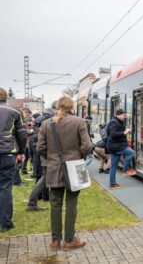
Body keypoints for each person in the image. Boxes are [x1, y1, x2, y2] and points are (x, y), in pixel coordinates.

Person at [37, 96, 92, 250]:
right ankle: (69, 240)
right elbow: (87, 146)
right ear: (71, 107)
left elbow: (40, 147)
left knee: (55, 205)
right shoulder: (79, 122)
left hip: (54, 169)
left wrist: (52, 159)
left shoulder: (46, 123)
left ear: (58, 106)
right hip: (74, 167)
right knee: (71, 204)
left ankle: (55, 241)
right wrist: (79, 157)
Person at [0, 87, 25, 232]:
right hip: (8, 154)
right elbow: (21, 134)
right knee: (5, 188)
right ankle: (5, 222)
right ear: (6, 97)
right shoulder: (15, 112)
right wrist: (21, 151)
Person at [26, 108, 56, 211]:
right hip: (47, 156)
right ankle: (32, 202)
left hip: (45, 156)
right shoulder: (46, 126)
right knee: (44, 179)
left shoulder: (40, 125)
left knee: (44, 179)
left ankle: (34, 202)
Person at [106, 109, 135, 189]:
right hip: (116, 146)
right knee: (130, 152)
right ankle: (125, 170)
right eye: (124, 115)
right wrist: (124, 132)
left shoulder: (116, 121)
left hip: (115, 146)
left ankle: (112, 184)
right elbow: (113, 134)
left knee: (113, 166)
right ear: (119, 115)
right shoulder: (114, 122)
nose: (124, 117)